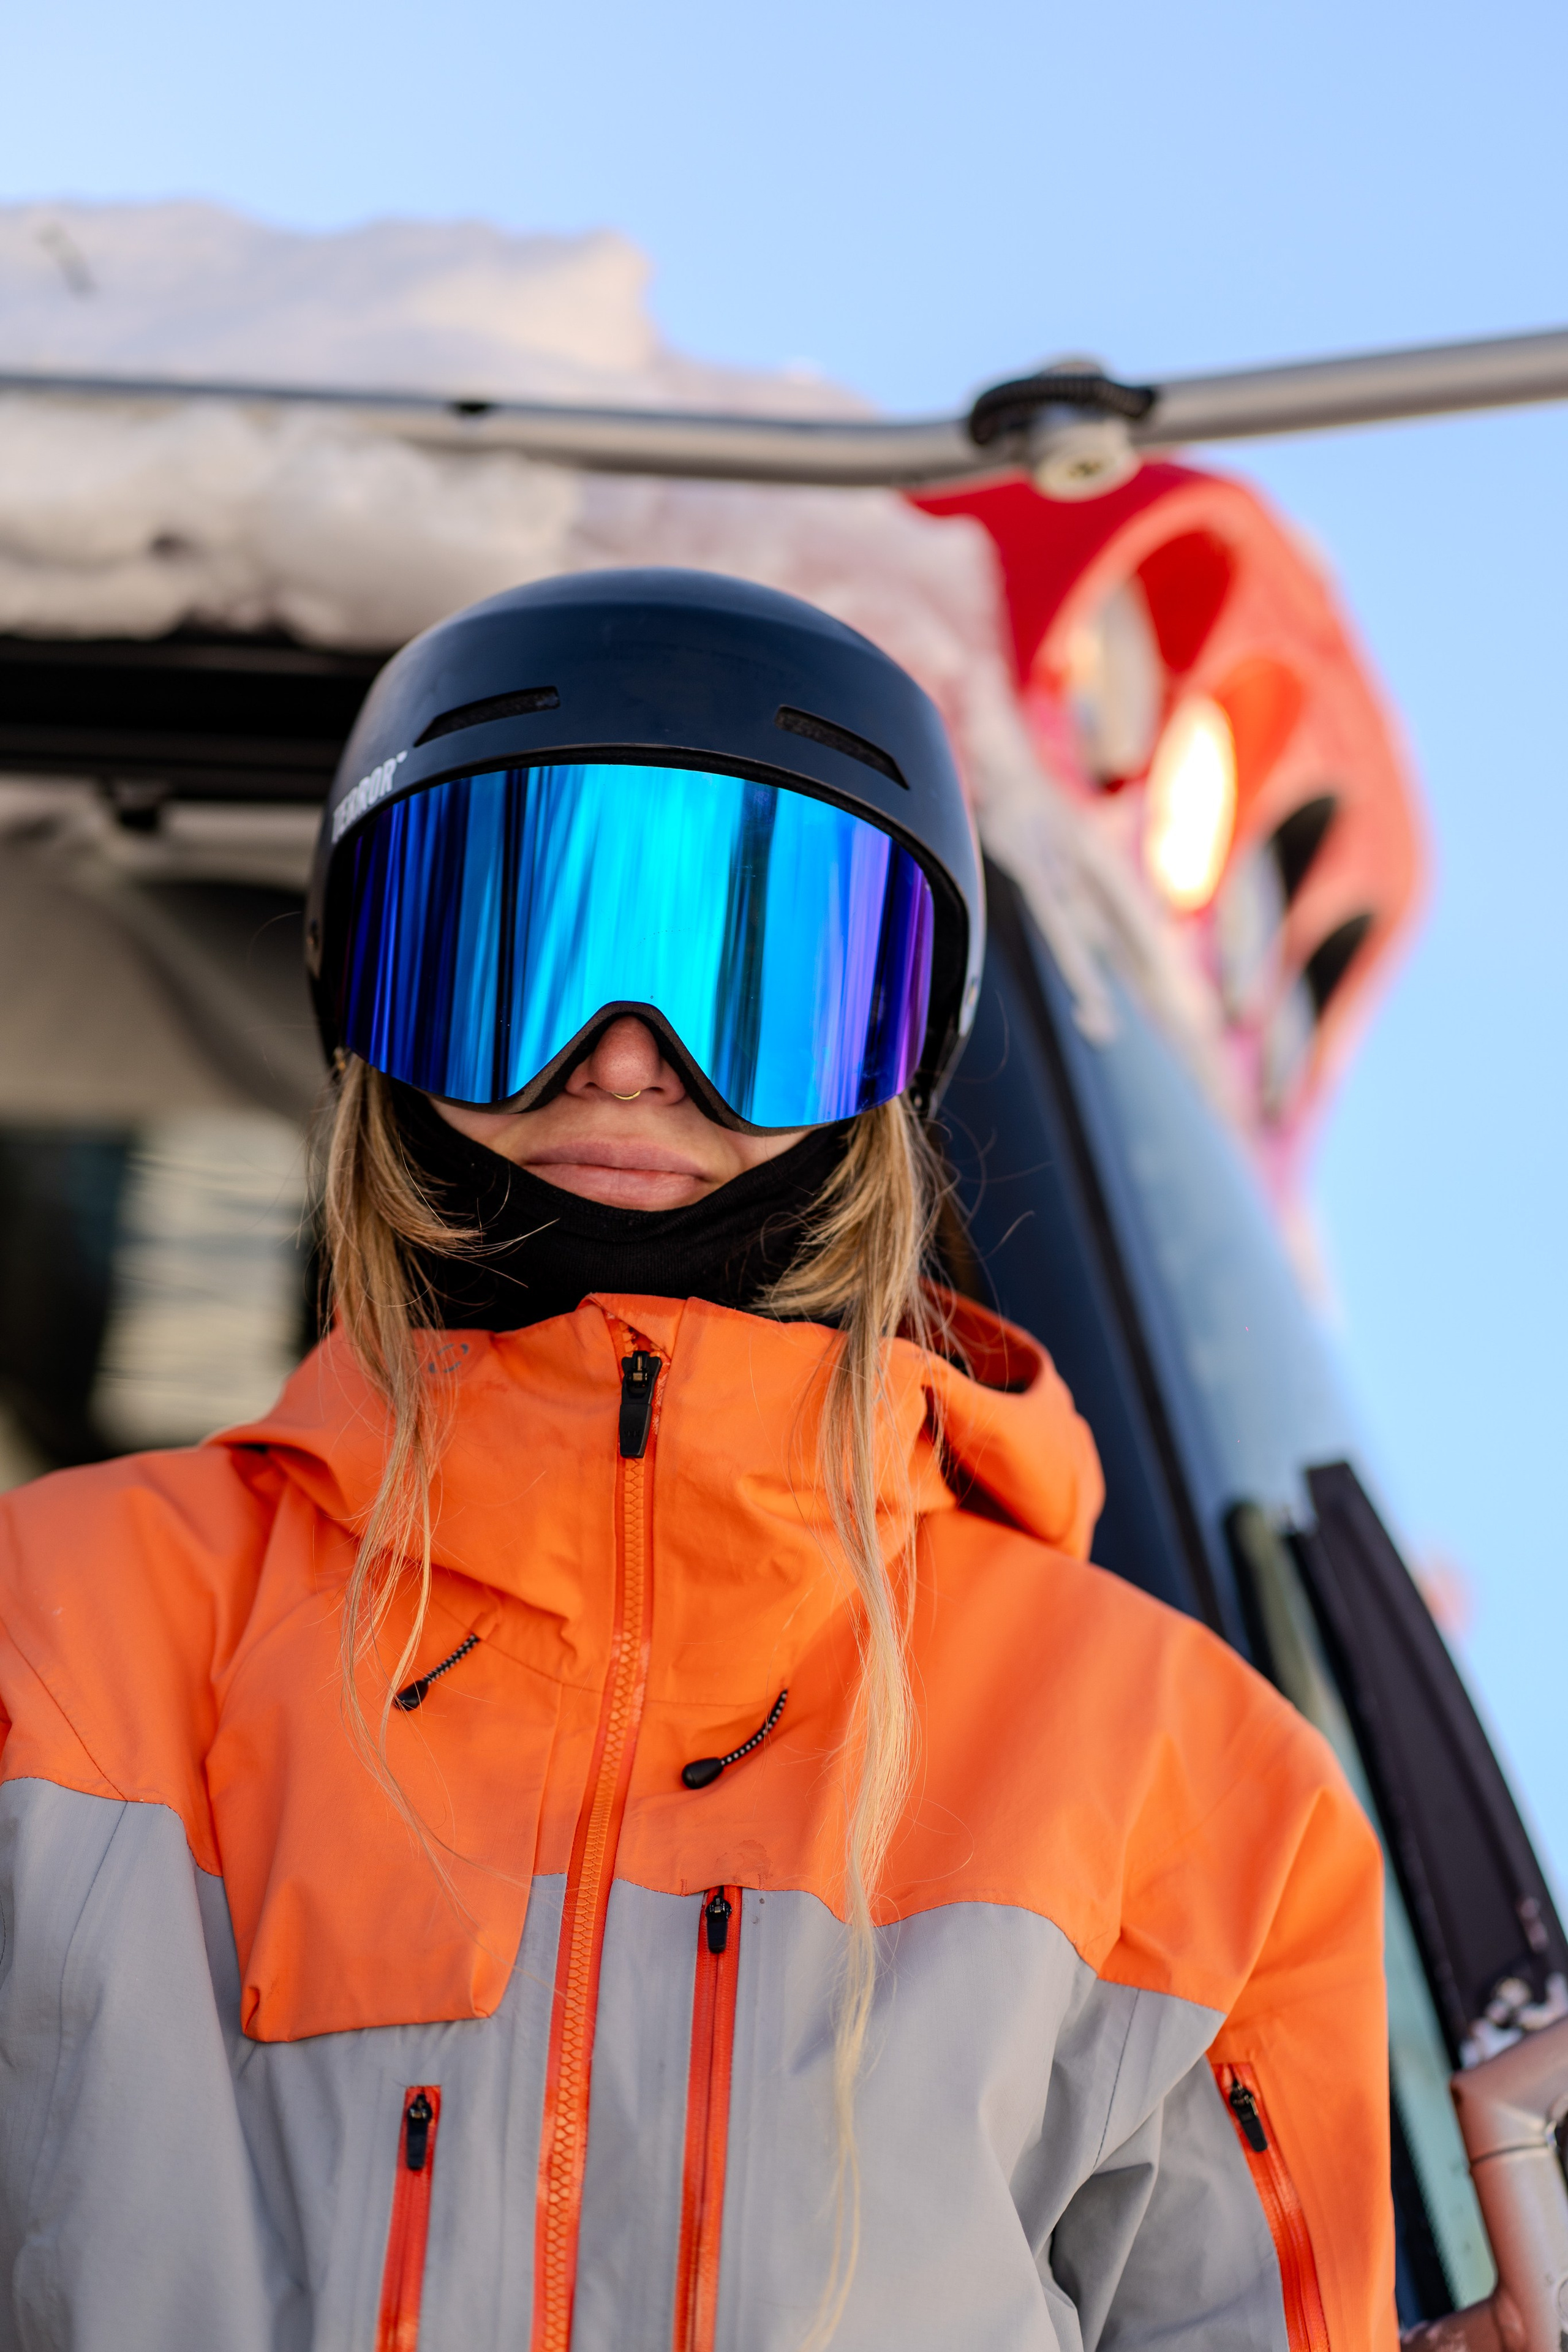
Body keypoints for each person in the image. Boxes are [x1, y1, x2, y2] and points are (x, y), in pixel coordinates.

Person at [0, 569, 1395, 2352]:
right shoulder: (57, 1641)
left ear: (892, 1061)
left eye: (765, 974)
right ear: (369, 1000)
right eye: (520, 944)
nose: (633, 1060)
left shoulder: (1184, 1783)